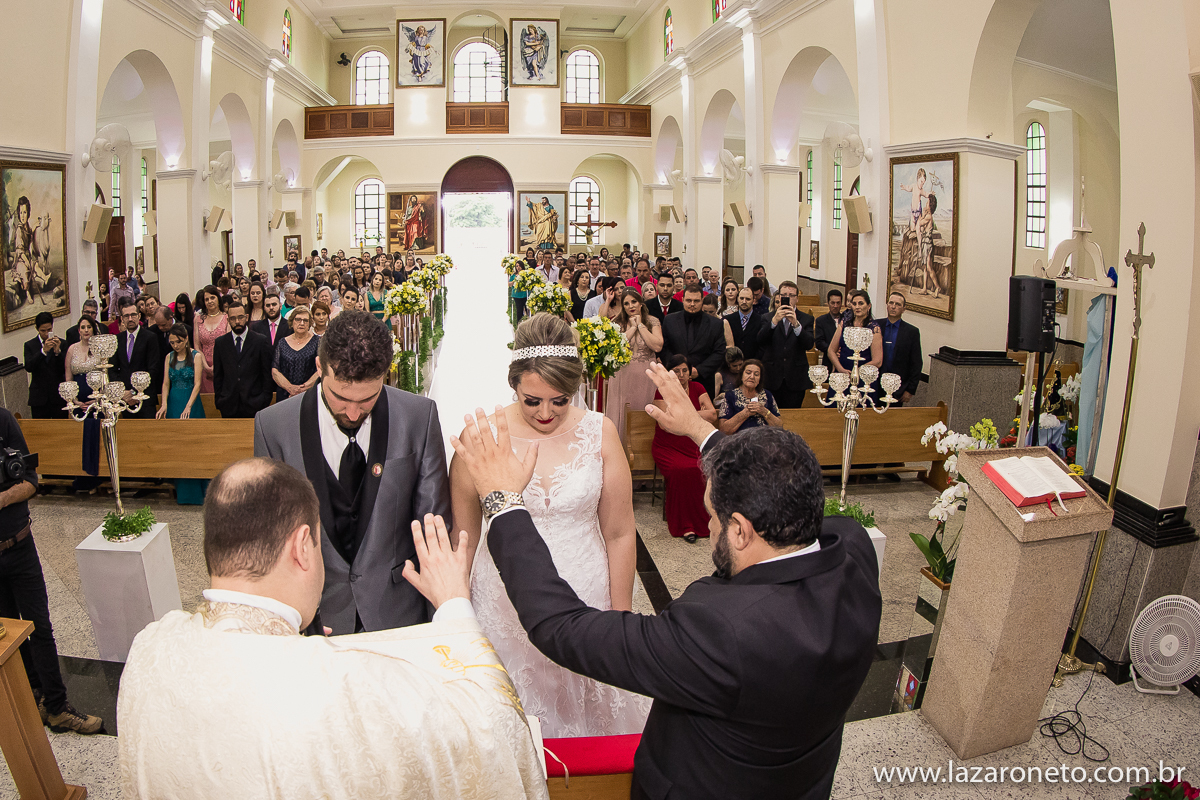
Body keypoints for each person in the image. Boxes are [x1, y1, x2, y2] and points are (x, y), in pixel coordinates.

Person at [425, 361, 881, 800]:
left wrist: (503, 504)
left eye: (712, 518)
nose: (709, 528)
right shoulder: (853, 556)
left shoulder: (718, 636)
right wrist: (702, 432)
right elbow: (781, 481)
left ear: (741, 530)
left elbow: (559, 627)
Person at [117, 458, 547, 800]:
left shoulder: (149, 650)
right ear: (303, 546)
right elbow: (491, 727)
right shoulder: (340, 688)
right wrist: (454, 605)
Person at [450, 313, 650, 737]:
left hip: (585, 594)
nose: (546, 413)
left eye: (560, 401)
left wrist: (620, 618)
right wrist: (455, 615)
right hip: (502, 601)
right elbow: (462, 540)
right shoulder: (481, 439)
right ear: (514, 385)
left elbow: (618, 532)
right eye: (532, 400)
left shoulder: (599, 432)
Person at [253, 311, 452, 634]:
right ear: (319, 367)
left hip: (399, 617)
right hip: (315, 618)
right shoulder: (273, 427)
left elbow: (435, 527)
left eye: (368, 399)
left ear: (386, 375)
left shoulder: (419, 417)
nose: (353, 412)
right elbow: (268, 540)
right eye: (340, 397)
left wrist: (439, 625)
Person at [0, 403, 104, 733]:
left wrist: (2, 498)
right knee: (8, 634)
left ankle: (57, 707)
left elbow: (31, 481)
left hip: (20, 545)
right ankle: (32, 695)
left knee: (40, 628)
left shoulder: (3, 421)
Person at [652, 355, 717, 542]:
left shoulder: (698, 388)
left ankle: (707, 522)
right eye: (676, 371)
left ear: (690, 372)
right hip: (668, 445)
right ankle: (686, 525)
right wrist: (696, 415)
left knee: (702, 467)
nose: (681, 374)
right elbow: (666, 423)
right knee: (681, 470)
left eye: (684, 370)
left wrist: (685, 415)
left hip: (693, 443)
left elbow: (712, 414)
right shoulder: (661, 391)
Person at [156, 324, 208, 504]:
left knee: (194, 446)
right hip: (173, 403)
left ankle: (198, 492)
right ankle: (182, 491)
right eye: (171, 343)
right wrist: (163, 404)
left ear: (185, 339)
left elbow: (197, 384)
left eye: (178, 342)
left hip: (191, 403)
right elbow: (165, 383)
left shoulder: (196, 356)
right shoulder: (169, 357)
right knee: (177, 446)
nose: (175, 346)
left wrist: (188, 407)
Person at [606, 290, 663, 444]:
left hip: (646, 376)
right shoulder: (617, 323)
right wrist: (632, 328)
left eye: (633, 302)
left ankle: (642, 459)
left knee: (643, 413)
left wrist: (641, 326)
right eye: (626, 303)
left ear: (640, 303)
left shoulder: (653, 321)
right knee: (623, 414)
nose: (630, 306)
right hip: (622, 375)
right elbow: (615, 347)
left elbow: (657, 346)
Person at [756, 281, 815, 409]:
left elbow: (809, 344)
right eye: (784, 295)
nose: (787, 298)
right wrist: (774, 322)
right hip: (772, 376)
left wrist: (795, 324)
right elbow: (760, 340)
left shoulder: (806, 319)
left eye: (791, 295)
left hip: (795, 378)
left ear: (797, 299)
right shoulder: (767, 317)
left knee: (793, 415)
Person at [211, 300, 272, 419]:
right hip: (228, 405)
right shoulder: (220, 343)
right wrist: (220, 400)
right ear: (228, 320)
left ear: (247, 317)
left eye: (240, 317)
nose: (237, 322)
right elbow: (218, 375)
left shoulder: (260, 341)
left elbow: (266, 375)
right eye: (233, 319)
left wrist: (264, 399)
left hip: (255, 404)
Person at [659, 286, 726, 389]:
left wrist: (699, 370)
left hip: (704, 381)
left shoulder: (715, 324)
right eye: (689, 300)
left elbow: (719, 352)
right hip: (674, 380)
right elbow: (664, 348)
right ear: (682, 300)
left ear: (702, 301)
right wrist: (676, 369)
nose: (692, 304)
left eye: (696, 301)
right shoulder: (669, 320)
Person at [114, 299, 161, 418]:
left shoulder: (150, 338)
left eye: (133, 315)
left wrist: (134, 392)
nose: (130, 319)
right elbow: (112, 369)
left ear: (139, 316)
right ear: (122, 319)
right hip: (123, 400)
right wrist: (122, 392)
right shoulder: (117, 340)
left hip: (145, 399)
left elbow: (153, 369)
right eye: (126, 316)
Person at [880, 292, 923, 405]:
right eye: (891, 303)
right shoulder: (876, 326)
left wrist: (910, 390)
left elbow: (916, 363)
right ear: (887, 305)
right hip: (876, 384)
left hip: (898, 388)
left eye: (898, 304)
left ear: (904, 309)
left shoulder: (911, 332)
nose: (893, 307)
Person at [828, 288, 882, 376]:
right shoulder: (844, 323)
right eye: (854, 304)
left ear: (869, 306)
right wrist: (840, 369)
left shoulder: (874, 328)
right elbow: (831, 350)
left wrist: (857, 371)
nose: (857, 307)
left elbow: (878, 361)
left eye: (861, 303)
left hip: (863, 375)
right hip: (842, 372)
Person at [271, 305, 319, 402]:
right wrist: (290, 388)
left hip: (309, 395)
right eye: (298, 319)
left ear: (310, 323)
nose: (301, 323)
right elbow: (275, 370)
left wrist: (302, 389)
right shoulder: (282, 343)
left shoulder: (318, 342)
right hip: (285, 395)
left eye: (305, 320)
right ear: (292, 321)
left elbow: (321, 369)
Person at [720, 359, 782, 434]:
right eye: (748, 373)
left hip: (765, 439)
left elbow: (779, 427)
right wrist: (746, 412)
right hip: (740, 440)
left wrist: (763, 411)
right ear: (741, 376)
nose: (752, 377)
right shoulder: (730, 396)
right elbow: (724, 429)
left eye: (756, 374)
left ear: (760, 379)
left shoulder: (767, 395)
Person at [25, 312, 65, 419]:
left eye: (49, 330)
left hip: (57, 397)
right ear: (37, 329)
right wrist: (43, 351)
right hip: (39, 399)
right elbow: (29, 367)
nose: (46, 333)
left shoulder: (61, 343)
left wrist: (57, 353)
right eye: (43, 330)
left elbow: (64, 369)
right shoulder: (30, 345)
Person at [194, 285, 228, 394]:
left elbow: (228, 344)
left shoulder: (226, 318)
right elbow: (197, 346)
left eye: (212, 298)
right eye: (206, 299)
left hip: (223, 364)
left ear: (218, 299)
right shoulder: (198, 319)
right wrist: (205, 366)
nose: (210, 301)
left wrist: (216, 366)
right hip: (203, 366)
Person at [727, 286, 765, 362]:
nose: (744, 301)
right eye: (741, 298)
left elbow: (763, 345)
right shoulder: (728, 320)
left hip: (753, 364)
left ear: (753, 300)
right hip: (732, 364)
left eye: (748, 299)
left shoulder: (761, 320)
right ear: (737, 299)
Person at [814, 288, 844, 360]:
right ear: (828, 303)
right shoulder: (821, 321)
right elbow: (819, 342)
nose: (835, 306)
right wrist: (833, 351)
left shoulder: (846, 320)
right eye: (833, 303)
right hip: (828, 358)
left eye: (838, 303)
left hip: (844, 357)